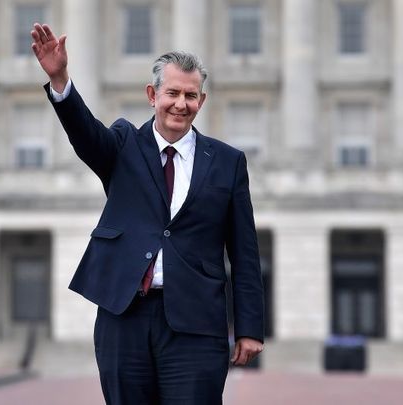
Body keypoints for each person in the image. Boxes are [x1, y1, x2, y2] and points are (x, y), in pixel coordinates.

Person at [31, 23, 264, 405]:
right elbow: (84, 133)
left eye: (190, 95)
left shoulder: (227, 162)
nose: (180, 103)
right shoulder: (123, 144)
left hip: (196, 324)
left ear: (201, 102)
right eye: (172, 93)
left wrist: (250, 327)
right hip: (125, 316)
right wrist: (60, 79)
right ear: (152, 95)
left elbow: (244, 253)